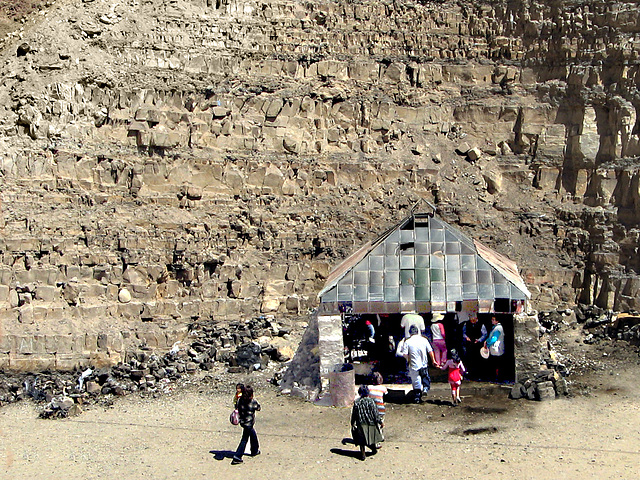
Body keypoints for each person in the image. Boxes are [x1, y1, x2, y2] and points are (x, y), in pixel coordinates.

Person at [400, 325, 438, 403]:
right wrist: (433, 360)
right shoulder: (424, 340)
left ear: (410, 333)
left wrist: (408, 360)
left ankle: (417, 397)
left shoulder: (407, 341)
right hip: (423, 363)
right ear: (417, 332)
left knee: (416, 381)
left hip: (413, 364)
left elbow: (404, 354)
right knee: (425, 377)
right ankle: (425, 389)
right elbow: (430, 351)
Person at [350, 385, 383, 461]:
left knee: (361, 440)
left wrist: (352, 422)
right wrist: (380, 422)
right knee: (371, 437)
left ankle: (363, 454)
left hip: (361, 423)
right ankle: (373, 449)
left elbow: (354, 414)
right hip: (371, 423)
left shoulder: (357, 402)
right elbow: (375, 413)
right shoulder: (371, 401)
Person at [231, 385, 261, 465]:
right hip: (249, 423)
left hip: (243, 422)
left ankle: (255, 450)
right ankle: (237, 456)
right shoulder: (252, 402)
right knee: (244, 440)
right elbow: (258, 408)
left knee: (253, 434)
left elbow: (237, 406)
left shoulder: (240, 400)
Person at [367, 372, 388, 448]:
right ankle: (378, 440)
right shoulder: (383, 388)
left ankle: (373, 439)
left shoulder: (368, 388)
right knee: (380, 424)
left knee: (373, 425)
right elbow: (385, 397)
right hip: (380, 410)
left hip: (371, 410)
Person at [485, 316, 505, 382]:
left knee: (496, 364)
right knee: (496, 364)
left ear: (497, 321)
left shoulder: (498, 328)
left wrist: (487, 344)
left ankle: (497, 377)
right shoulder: (495, 328)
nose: (492, 321)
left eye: (493, 320)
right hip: (496, 349)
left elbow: (494, 339)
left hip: (496, 349)